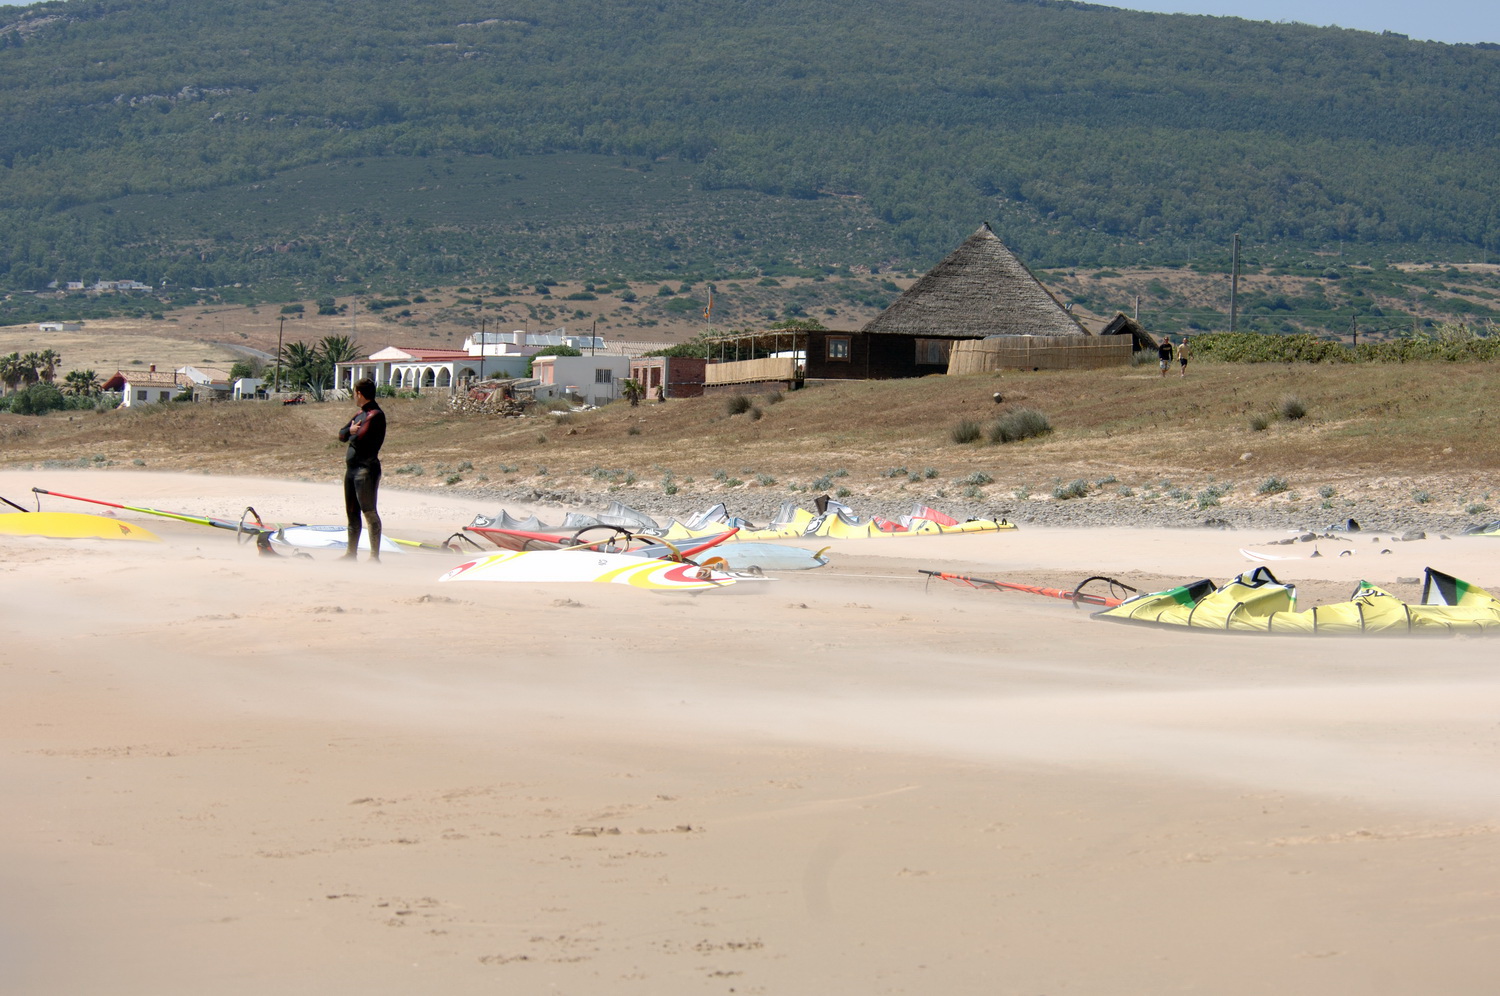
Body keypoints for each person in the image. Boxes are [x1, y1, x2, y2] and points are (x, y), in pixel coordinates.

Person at [338, 378, 385, 561]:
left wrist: (351, 432)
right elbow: (342, 434)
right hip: (352, 469)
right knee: (351, 512)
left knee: (369, 511)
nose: (353, 396)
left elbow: (359, 439)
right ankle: (351, 553)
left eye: (354, 392)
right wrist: (350, 431)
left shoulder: (375, 415)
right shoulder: (360, 414)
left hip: (366, 470)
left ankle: (374, 556)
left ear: (359, 393)